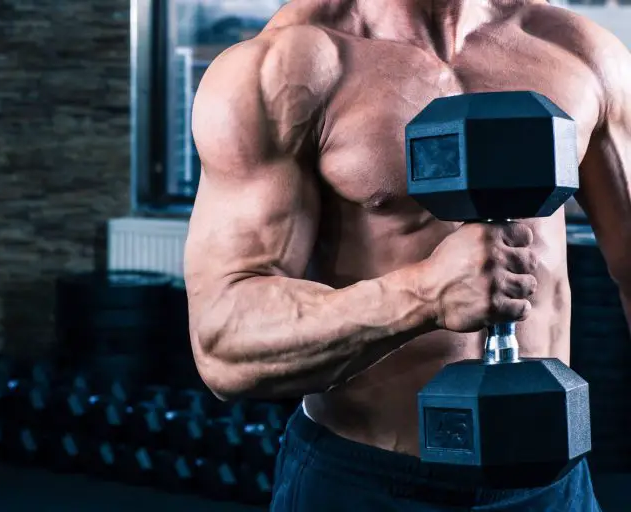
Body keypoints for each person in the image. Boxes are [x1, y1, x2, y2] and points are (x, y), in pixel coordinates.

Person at [184, 0, 631, 509]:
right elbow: (225, 347)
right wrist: (424, 295)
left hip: (554, 484)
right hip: (367, 481)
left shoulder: (580, 52)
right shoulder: (286, 67)